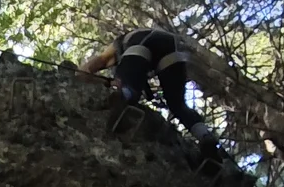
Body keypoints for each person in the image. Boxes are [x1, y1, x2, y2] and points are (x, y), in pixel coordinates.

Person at [82, 26, 217, 153]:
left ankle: (125, 95)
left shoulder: (115, 48)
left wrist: (109, 83)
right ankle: (204, 135)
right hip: (173, 46)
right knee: (178, 105)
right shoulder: (133, 38)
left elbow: (83, 72)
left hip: (139, 44)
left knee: (129, 89)